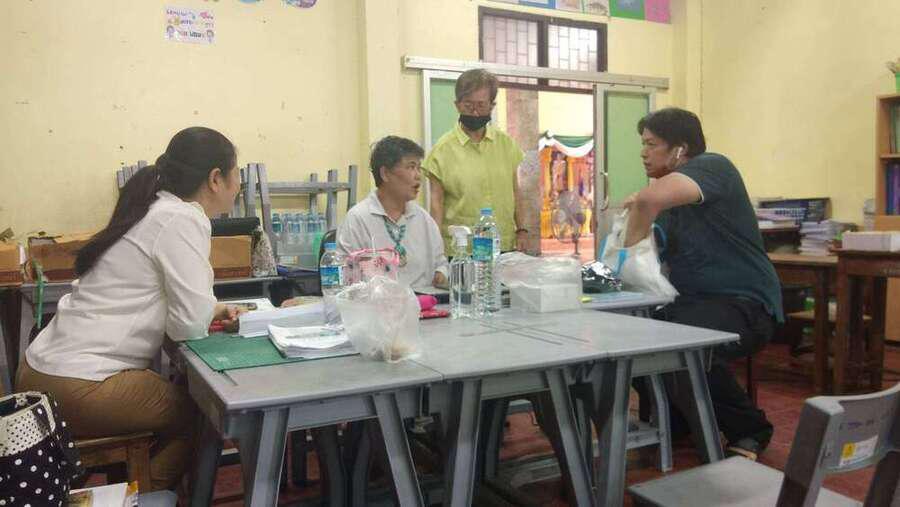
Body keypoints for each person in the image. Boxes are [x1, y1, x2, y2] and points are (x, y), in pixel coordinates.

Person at [16, 127, 246, 491]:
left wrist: (211, 308)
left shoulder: (152, 208)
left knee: (180, 400)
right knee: (203, 412)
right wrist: (202, 313)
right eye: (237, 174)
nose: (239, 184)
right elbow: (187, 326)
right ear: (215, 178)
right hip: (80, 384)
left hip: (39, 371)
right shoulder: (182, 218)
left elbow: (147, 294)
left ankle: (129, 487)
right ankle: (140, 497)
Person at [623, 107, 781, 459]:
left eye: (651, 144)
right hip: (693, 302)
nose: (643, 153)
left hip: (744, 303)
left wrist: (629, 241)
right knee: (630, 338)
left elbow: (647, 201)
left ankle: (750, 429)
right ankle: (679, 420)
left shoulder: (713, 167)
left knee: (685, 341)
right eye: (643, 144)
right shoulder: (670, 204)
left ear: (680, 149)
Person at [422, 69, 526, 255]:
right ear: (457, 105)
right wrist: (435, 254)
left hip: (504, 246)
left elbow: (516, 192)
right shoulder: (442, 151)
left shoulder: (506, 145)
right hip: (461, 251)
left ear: (492, 106)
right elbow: (436, 206)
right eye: (468, 105)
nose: (475, 112)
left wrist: (522, 230)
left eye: (481, 105)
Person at [337, 136, 448, 290]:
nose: (418, 176)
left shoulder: (424, 219)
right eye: (411, 167)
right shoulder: (358, 219)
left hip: (424, 303)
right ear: (385, 174)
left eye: (419, 168)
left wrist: (441, 273)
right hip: (376, 303)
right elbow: (347, 280)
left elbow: (441, 263)